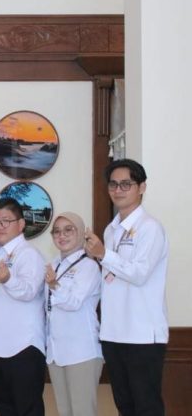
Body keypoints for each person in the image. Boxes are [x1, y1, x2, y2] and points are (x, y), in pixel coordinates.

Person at [85, 159, 168, 416]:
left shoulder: (150, 228)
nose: (118, 190)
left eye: (126, 184)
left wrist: (103, 255)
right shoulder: (111, 230)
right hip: (114, 332)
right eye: (113, 184)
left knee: (146, 406)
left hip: (142, 334)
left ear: (141, 187)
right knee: (125, 406)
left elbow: (140, 274)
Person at [0, 197, 46, 416]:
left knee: (27, 408)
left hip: (21, 347)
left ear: (21, 224)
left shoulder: (29, 254)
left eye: (6, 221)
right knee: (3, 407)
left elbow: (29, 291)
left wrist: (8, 279)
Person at [44, 212, 102, 416]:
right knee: (65, 411)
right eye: (57, 231)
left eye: (69, 230)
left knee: (82, 411)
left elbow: (73, 302)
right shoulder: (53, 264)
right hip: (56, 351)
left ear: (81, 233)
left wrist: (54, 285)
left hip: (81, 351)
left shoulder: (89, 266)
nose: (62, 235)